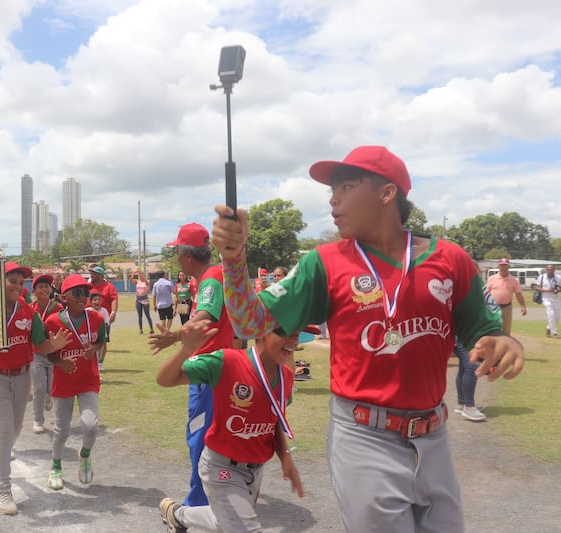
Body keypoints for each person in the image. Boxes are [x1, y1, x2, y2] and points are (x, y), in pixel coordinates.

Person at [211, 145, 524, 532]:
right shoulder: (322, 262)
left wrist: (504, 340)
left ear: (386, 193)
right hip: (364, 435)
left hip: (434, 437)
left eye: (345, 186)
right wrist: (233, 258)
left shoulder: (451, 259)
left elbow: (483, 327)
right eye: (332, 190)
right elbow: (248, 322)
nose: (333, 199)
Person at [157, 319, 304, 531]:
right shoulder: (227, 361)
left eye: (297, 335)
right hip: (221, 467)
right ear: (261, 333)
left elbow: (275, 421)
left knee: (223, 520)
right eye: (287, 333)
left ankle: (177, 515)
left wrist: (286, 456)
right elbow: (166, 379)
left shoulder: (286, 377)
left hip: (255, 469)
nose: (293, 342)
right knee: (245, 527)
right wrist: (186, 349)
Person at [0, 262, 71, 515]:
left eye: (22, 283)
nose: (18, 287)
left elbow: (39, 344)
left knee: (16, 428)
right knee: (4, 431)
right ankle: (2, 490)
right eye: (13, 281)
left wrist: (54, 345)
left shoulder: (28, 312)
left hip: (22, 376)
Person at [148, 223, 235, 509]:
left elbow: (206, 318)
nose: (176, 258)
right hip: (219, 367)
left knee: (200, 435)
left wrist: (173, 336)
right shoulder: (212, 276)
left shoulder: (210, 279)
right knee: (214, 433)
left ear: (186, 256)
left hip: (208, 369)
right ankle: (219, 493)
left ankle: (197, 504)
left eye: (177, 252)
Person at [44, 274, 106, 491]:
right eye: (77, 293)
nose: (83, 297)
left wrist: (94, 350)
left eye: (86, 293)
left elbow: (100, 341)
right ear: (64, 297)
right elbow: (48, 354)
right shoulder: (52, 321)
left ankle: (85, 455)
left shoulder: (96, 318)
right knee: (61, 431)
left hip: (88, 380)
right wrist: (60, 362)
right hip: (64, 382)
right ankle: (56, 466)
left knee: (90, 426)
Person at [29, 273, 64, 434]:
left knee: (52, 388)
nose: (44, 289)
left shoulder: (58, 308)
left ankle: (47, 396)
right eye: (40, 287)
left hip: (54, 355)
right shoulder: (30, 309)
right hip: (36, 353)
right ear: (34, 291)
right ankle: (38, 420)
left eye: (47, 286)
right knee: (38, 388)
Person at [486, 258, 527, 335]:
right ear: (499, 266)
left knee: (506, 329)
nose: (503, 267)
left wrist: (523, 306)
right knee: (493, 327)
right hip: (493, 307)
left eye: (505, 265)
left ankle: (505, 345)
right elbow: (486, 293)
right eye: (502, 265)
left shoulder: (513, 280)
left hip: (507, 307)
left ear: (509, 267)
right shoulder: (492, 279)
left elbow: (518, 294)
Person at [88, 265, 117, 367]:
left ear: (100, 275)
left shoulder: (109, 287)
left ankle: (100, 362)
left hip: (103, 318)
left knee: (103, 341)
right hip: (88, 318)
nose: (91, 275)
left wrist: (113, 312)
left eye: (94, 273)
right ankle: (90, 361)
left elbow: (114, 299)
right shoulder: (88, 286)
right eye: (91, 273)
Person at [531, 264, 561, 337]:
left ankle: (548, 327)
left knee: (557, 316)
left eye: (551, 270)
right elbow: (536, 287)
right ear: (546, 270)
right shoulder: (541, 277)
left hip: (555, 298)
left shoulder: (558, 278)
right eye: (548, 270)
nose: (550, 271)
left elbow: (560, 288)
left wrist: (557, 290)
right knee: (551, 314)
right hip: (546, 298)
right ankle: (555, 332)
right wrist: (546, 290)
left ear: (554, 270)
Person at [87, 291, 110, 372]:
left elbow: (107, 323)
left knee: (100, 350)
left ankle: (99, 364)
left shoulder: (104, 311)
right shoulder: (87, 311)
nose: (97, 302)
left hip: (101, 334)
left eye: (99, 300)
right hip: (90, 335)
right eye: (95, 300)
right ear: (90, 302)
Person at [130, 269, 154, 334]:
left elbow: (146, 283)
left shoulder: (146, 281)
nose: (140, 275)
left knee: (147, 315)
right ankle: (141, 330)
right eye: (139, 274)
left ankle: (151, 329)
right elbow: (131, 280)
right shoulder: (137, 281)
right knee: (139, 315)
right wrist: (134, 273)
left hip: (145, 299)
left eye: (141, 274)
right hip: (138, 299)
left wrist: (142, 274)